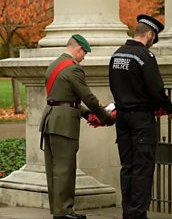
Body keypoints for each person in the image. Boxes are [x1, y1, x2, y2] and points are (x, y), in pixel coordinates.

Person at [108, 15, 172, 219]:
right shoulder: (145, 57)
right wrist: (168, 108)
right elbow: (156, 90)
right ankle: (137, 214)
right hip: (141, 120)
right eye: (153, 38)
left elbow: (114, 86)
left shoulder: (116, 55)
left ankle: (128, 211)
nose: (152, 43)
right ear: (149, 34)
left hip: (122, 118)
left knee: (127, 166)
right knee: (143, 168)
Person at [39, 34, 115, 219]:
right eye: (84, 53)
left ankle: (59, 210)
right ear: (78, 49)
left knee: (54, 168)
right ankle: (64, 212)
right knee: (65, 168)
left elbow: (62, 98)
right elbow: (87, 97)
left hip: (50, 119)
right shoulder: (74, 69)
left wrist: (85, 113)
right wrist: (105, 117)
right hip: (64, 124)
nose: (84, 57)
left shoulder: (54, 65)